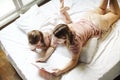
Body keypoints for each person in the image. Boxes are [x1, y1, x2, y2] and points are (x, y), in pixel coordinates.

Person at [39, 0, 120, 78]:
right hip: (88, 16)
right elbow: (52, 46)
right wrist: (45, 58)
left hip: (97, 24)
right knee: (102, 9)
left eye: (57, 40)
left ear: (65, 38)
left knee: (116, 14)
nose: (54, 41)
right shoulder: (64, 29)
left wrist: (60, 71)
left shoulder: (74, 43)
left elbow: (74, 61)